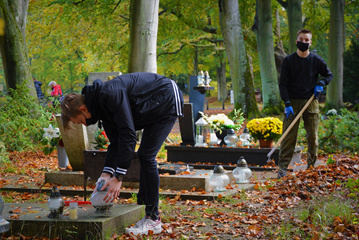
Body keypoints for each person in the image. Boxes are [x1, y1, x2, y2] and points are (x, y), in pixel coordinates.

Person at [60, 72, 183, 235]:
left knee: (146, 155)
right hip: (151, 104)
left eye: (80, 121)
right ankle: (144, 210)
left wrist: (118, 177)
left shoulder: (110, 95)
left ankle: (153, 219)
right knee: (144, 155)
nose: (83, 124)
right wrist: (106, 173)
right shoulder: (101, 109)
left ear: (83, 109)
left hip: (166, 98)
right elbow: (116, 143)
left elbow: (129, 136)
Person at [278, 29, 333, 178]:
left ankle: (311, 167)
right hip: (292, 103)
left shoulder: (316, 60)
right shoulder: (288, 61)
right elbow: (283, 84)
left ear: (310, 42)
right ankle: (282, 168)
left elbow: (329, 74)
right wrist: (287, 102)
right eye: (301, 39)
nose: (304, 42)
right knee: (288, 136)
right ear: (297, 41)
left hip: (311, 102)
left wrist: (321, 82)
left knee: (313, 137)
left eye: (306, 40)